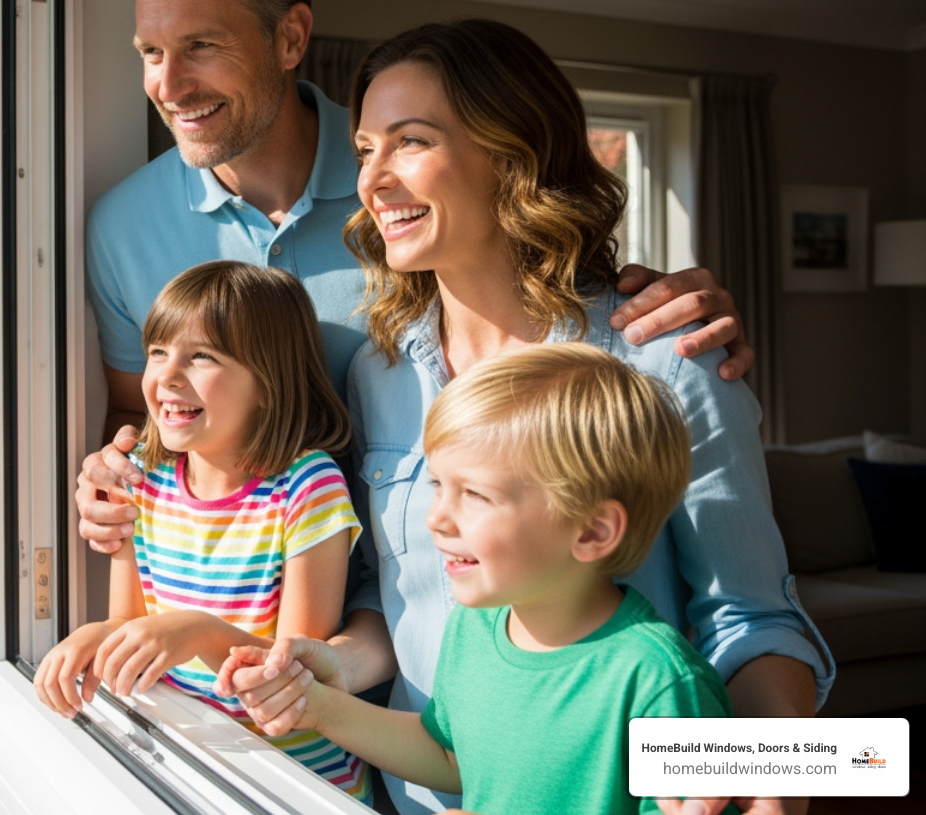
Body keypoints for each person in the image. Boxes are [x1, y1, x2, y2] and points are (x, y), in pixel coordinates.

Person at [210, 21, 831, 815]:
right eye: (366, 148)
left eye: (411, 141)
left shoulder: (664, 357)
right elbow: (391, 591)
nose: (374, 180)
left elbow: (749, 614)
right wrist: (333, 669)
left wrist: (772, 777)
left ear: (513, 153)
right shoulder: (378, 370)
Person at [78, 0, 755, 552]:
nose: (168, 85)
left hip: (426, 604)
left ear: (290, 37)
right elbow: (137, 417)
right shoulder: (121, 226)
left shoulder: (414, 203)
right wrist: (113, 476)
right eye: (151, 52)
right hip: (245, 631)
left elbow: (548, 302)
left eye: (200, 45)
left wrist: (664, 319)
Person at [231, 342, 733, 815]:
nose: (436, 519)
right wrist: (317, 707)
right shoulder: (476, 628)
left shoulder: (660, 682)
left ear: (593, 530)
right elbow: (450, 758)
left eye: (474, 494)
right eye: (437, 486)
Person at [34, 261, 369, 801]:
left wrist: (198, 632)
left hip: (292, 780)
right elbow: (129, 622)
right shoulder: (140, 475)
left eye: (202, 356)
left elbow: (290, 671)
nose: (167, 376)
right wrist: (96, 637)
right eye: (158, 352)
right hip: (182, 757)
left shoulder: (309, 486)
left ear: (268, 382)